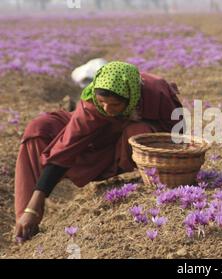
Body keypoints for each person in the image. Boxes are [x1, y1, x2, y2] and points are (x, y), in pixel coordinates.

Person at [14, 61, 183, 241]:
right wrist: (33, 205)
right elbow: (67, 147)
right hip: (96, 136)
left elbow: (177, 134)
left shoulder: (157, 93)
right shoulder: (92, 104)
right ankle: (25, 225)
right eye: (102, 102)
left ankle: (153, 178)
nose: (107, 109)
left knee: (139, 133)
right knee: (38, 129)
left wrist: (176, 165)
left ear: (131, 97)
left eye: (115, 104)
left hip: (125, 141)